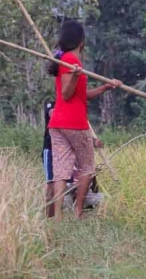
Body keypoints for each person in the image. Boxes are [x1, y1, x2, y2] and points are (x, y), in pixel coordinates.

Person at [47, 20, 122, 221]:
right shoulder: (72, 61)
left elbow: (81, 95)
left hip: (57, 124)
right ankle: (78, 211)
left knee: (61, 170)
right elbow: (66, 93)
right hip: (75, 123)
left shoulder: (64, 59)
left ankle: (59, 215)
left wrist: (105, 87)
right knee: (87, 167)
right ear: (81, 41)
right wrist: (73, 75)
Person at [43, 100, 56, 218]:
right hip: (50, 148)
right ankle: (49, 216)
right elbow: (52, 113)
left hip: (67, 149)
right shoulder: (51, 104)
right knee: (50, 183)